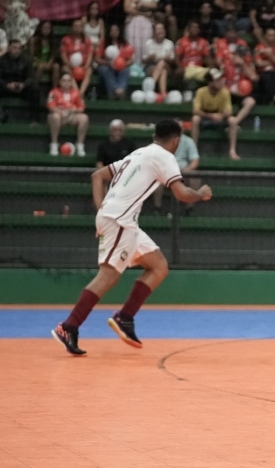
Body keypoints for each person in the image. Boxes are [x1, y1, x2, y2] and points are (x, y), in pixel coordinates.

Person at [50, 119, 213, 356]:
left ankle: (125, 317)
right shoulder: (165, 157)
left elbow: (98, 176)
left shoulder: (139, 153)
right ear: (176, 141)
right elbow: (181, 194)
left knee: (159, 266)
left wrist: (102, 210)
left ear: (155, 136)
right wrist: (200, 193)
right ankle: (69, 326)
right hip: (120, 220)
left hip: (122, 220)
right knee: (108, 275)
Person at [191, 68, 241, 160]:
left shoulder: (225, 92)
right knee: (195, 119)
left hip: (220, 118)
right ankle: (194, 151)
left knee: (233, 120)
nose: (221, 82)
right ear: (210, 82)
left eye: (221, 79)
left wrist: (221, 116)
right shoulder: (201, 92)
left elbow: (229, 111)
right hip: (205, 118)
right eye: (217, 80)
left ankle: (232, 150)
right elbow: (196, 110)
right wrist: (210, 116)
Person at [152, 132, 201, 215]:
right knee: (156, 177)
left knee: (195, 178)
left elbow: (195, 161)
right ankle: (157, 208)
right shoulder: (162, 141)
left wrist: (187, 170)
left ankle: (189, 209)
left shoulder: (188, 141)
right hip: (166, 172)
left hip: (183, 172)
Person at [47, 72, 89, 157]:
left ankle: (80, 145)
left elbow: (82, 107)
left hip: (71, 115)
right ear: (60, 82)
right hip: (58, 115)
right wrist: (60, 112)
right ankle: (54, 144)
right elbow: (50, 104)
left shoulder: (77, 93)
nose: (66, 83)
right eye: (64, 80)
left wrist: (73, 110)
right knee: (55, 117)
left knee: (84, 118)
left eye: (69, 81)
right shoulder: (53, 92)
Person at [0, 39, 40, 123]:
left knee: (35, 89)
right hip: (6, 87)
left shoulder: (26, 60)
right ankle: (2, 114)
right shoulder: (2, 60)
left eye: (19, 48)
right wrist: (6, 85)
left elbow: (31, 76)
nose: (17, 50)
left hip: (21, 87)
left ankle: (34, 120)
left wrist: (23, 85)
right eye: (14, 48)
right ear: (9, 48)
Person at [95, 24, 134, 100]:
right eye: (112, 30)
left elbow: (131, 60)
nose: (114, 32)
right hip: (106, 65)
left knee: (126, 70)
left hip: (120, 66)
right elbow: (97, 59)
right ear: (109, 32)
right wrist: (108, 63)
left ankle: (121, 90)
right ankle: (115, 90)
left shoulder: (125, 44)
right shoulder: (103, 43)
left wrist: (123, 64)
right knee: (105, 69)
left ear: (119, 32)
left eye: (116, 30)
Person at [29, 20, 60, 88]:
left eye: (48, 28)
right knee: (41, 66)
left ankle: (55, 89)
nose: (46, 30)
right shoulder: (33, 40)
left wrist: (49, 63)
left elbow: (53, 55)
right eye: (45, 28)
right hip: (36, 61)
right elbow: (32, 56)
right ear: (40, 28)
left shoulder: (52, 40)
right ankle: (34, 86)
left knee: (56, 66)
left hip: (47, 62)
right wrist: (40, 62)